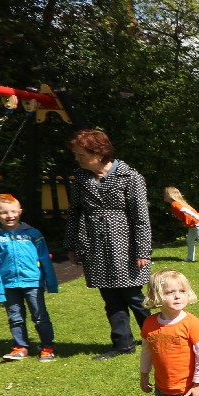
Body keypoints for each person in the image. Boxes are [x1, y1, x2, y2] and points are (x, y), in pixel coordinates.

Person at [63, 129, 152, 361]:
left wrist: (142, 250)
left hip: (124, 244)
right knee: (110, 298)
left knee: (133, 296)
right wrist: (71, 245)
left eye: (81, 155)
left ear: (99, 153)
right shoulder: (81, 178)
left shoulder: (130, 177)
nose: (77, 159)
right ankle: (123, 345)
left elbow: (141, 217)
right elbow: (75, 212)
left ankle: (155, 338)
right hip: (94, 244)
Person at [0, 193, 59, 362]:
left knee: (40, 316)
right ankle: (21, 347)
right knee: (15, 318)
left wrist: (51, 283)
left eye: (13, 211)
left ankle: (47, 347)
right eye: (3, 212)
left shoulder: (33, 234)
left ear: (20, 212)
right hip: (9, 285)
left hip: (33, 282)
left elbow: (45, 259)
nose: (9, 216)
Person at [162, 186, 199, 264]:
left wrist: (198, 217)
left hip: (198, 223)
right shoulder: (176, 203)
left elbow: (185, 210)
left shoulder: (174, 204)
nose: (164, 195)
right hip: (194, 224)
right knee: (190, 240)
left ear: (170, 195)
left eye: (165, 194)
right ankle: (190, 258)